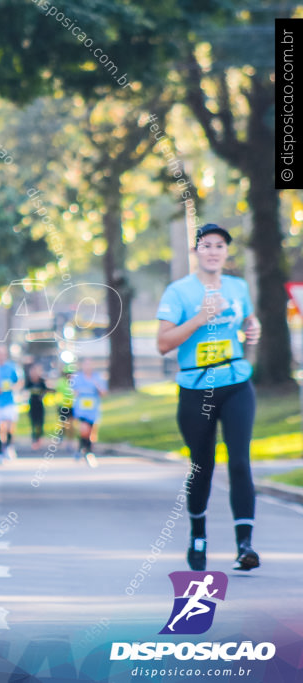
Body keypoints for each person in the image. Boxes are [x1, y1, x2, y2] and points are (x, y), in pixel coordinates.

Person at [156, 223, 261, 572]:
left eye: (220, 246)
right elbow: (163, 343)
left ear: (226, 252)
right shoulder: (179, 292)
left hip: (235, 382)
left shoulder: (238, 287)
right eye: (206, 245)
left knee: (240, 460)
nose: (213, 251)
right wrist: (201, 318)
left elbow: (248, 323)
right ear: (196, 252)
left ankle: (244, 544)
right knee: (202, 465)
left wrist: (253, 330)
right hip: (197, 388)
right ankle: (197, 533)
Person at [69, 357, 106, 467]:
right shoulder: (78, 378)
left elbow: (103, 393)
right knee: (84, 428)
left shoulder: (97, 377)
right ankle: (89, 453)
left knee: (91, 432)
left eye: (89, 365)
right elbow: (73, 392)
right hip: (81, 408)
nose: (87, 367)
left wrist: (97, 385)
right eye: (85, 364)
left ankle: (81, 448)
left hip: (93, 408)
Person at [0, 345, 21, 460]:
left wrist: (13, 387)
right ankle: (0, 451)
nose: (1, 357)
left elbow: (19, 382)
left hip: (9, 401)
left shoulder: (12, 367)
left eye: (3, 354)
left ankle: (9, 447)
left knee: (9, 427)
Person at [25, 363, 48, 450]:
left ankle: (39, 439)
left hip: (40, 405)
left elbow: (46, 390)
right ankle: (34, 440)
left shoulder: (41, 381)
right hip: (32, 405)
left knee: (40, 423)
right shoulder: (29, 382)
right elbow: (25, 390)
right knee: (33, 424)